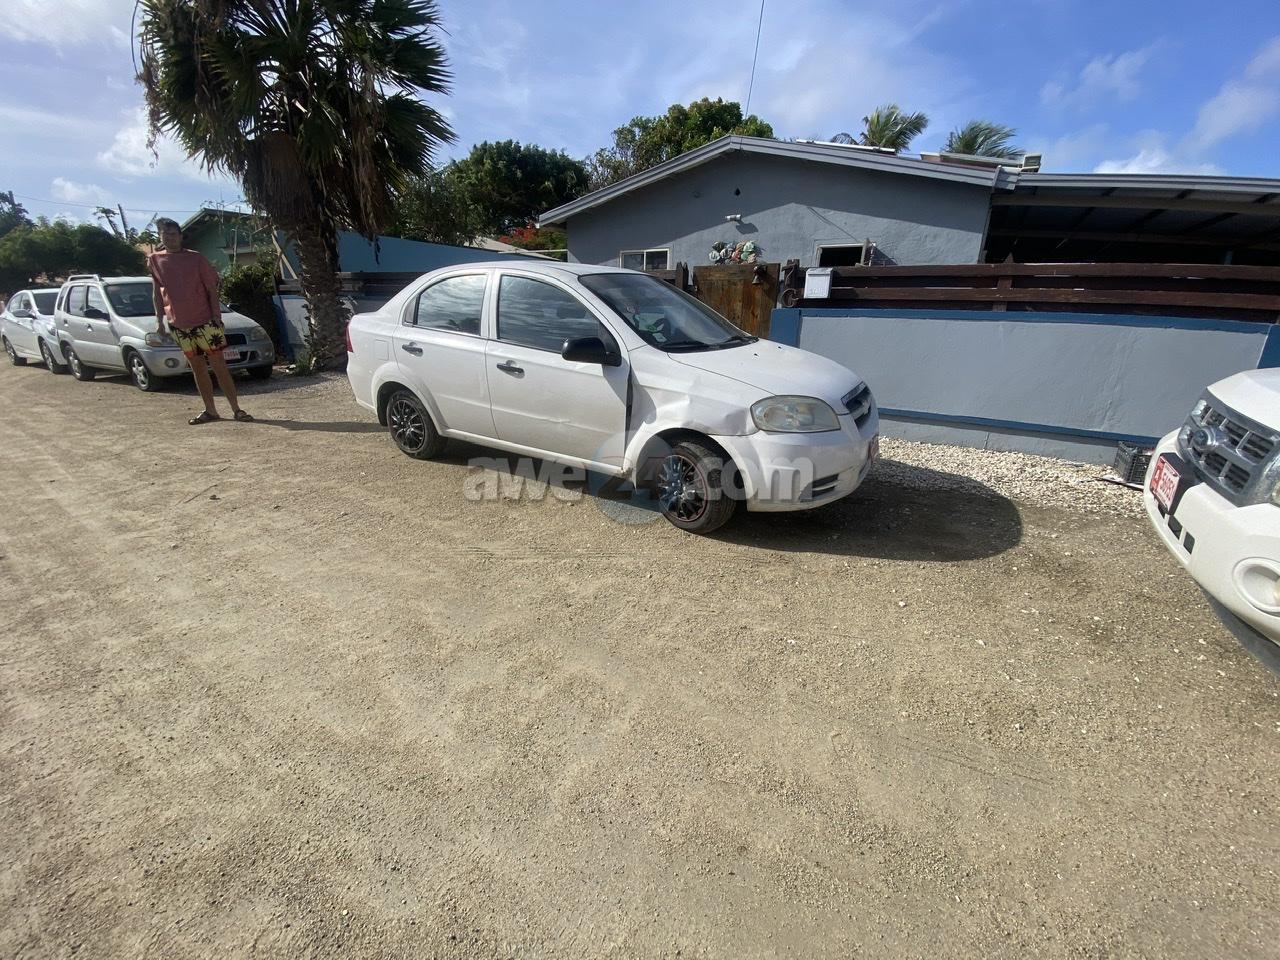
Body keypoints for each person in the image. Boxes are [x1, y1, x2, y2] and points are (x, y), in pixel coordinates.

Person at [149, 218, 253, 425]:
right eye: (165, 234)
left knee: (219, 366)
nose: (169, 238)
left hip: (205, 322)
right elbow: (157, 292)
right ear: (160, 236)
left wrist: (216, 317)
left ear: (180, 236)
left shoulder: (196, 258)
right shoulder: (154, 260)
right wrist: (159, 320)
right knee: (197, 368)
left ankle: (236, 409)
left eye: (173, 234)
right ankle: (210, 410)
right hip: (179, 325)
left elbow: (211, 289)